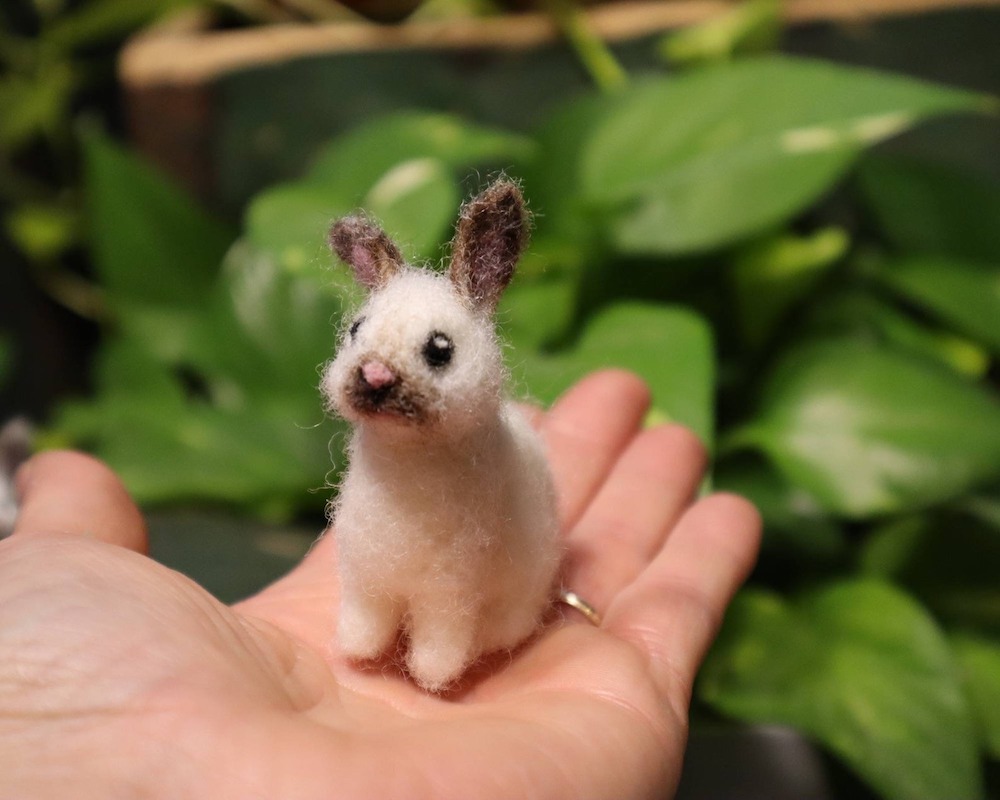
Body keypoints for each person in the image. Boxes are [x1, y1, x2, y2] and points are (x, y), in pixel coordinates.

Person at [0, 370, 760, 799]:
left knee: (457, 573)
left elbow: (470, 555)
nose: (377, 373)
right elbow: (362, 544)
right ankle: (374, 617)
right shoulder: (373, 456)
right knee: (374, 560)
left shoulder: (497, 461)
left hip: (493, 573)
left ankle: (448, 635)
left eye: (430, 353)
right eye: (365, 346)